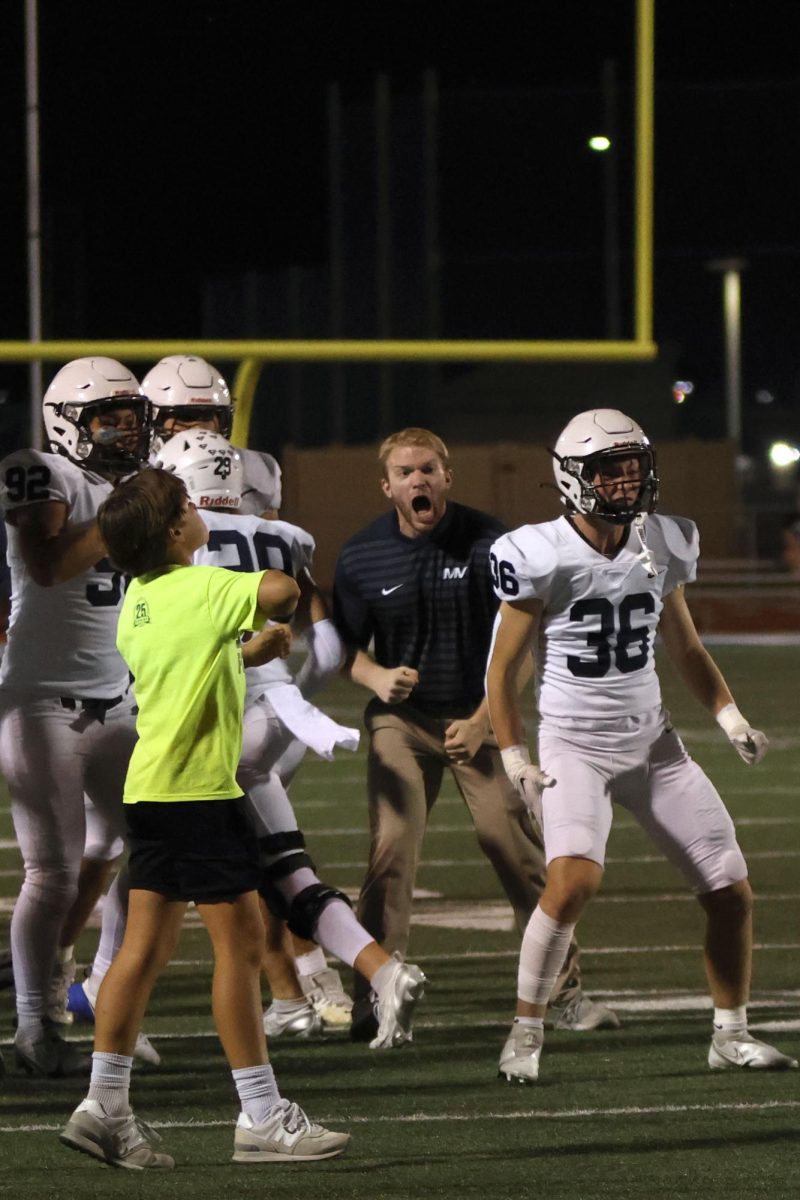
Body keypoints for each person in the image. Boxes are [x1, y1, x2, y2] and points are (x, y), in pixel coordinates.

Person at [486, 407, 799, 1083]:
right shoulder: (538, 552)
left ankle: (731, 1034)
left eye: (631, 468)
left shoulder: (661, 540)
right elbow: (500, 672)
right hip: (575, 745)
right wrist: (515, 756)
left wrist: (731, 719)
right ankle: (526, 1031)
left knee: (731, 889)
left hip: (654, 745)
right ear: (572, 478)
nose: (625, 482)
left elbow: (683, 646)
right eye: (608, 470)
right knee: (573, 883)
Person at [59, 467, 350, 1169]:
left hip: (152, 794)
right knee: (243, 946)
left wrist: (252, 650)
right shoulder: (204, 585)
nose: (196, 509)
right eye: (185, 505)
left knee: (141, 950)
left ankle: (104, 1105)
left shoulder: (138, 600)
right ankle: (261, 1113)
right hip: (200, 796)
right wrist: (276, 573)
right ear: (171, 530)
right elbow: (279, 591)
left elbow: (190, 665)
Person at [333, 427, 616, 1039]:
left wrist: (485, 719)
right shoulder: (361, 556)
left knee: (512, 844)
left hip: (479, 715)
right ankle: (375, 994)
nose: (419, 481)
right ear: (388, 487)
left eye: (428, 469)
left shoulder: (496, 544)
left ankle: (563, 991)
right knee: (392, 847)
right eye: (406, 473)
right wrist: (378, 677)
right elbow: (344, 650)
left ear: (447, 476)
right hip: (402, 723)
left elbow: (530, 647)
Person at [160, 429, 424, 1046]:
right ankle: (377, 973)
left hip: (212, 724)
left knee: (158, 889)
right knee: (288, 871)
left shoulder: (173, 551)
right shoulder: (280, 538)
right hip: (274, 722)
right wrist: (295, 705)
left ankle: (94, 1019)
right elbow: (327, 648)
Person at [0, 357, 151, 1077]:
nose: (124, 430)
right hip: (40, 702)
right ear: (67, 422)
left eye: (130, 415)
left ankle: (111, 998)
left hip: (119, 700)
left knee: (147, 850)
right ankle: (35, 1024)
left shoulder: (134, 491)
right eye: (107, 417)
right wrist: (128, 516)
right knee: (52, 873)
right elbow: (47, 564)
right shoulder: (41, 470)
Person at [142, 354, 282, 517]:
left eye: (207, 416)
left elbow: (269, 536)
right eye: (186, 417)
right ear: (152, 418)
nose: (199, 427)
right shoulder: (137, 474)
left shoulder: (255, 469)